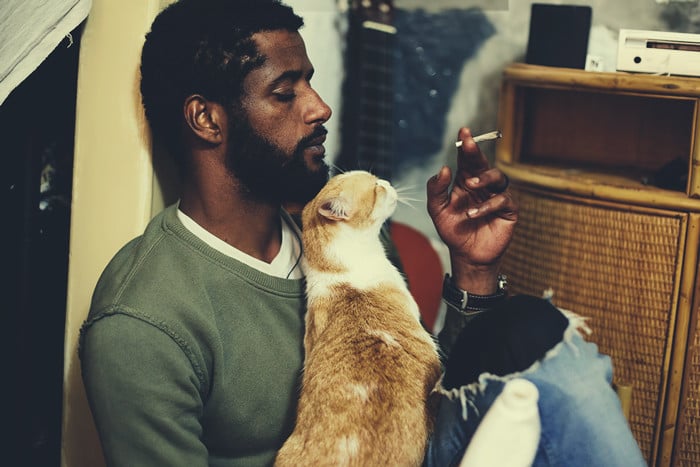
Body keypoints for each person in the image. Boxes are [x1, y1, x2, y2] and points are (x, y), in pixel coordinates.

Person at [79, 1, 646, 466]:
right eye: (286, 92)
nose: (320, 108)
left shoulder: (342, 231)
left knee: (529, 327)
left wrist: (473, 270)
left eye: (311, 83)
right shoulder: (143, 322)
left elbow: (416, 395)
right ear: (207, 119)